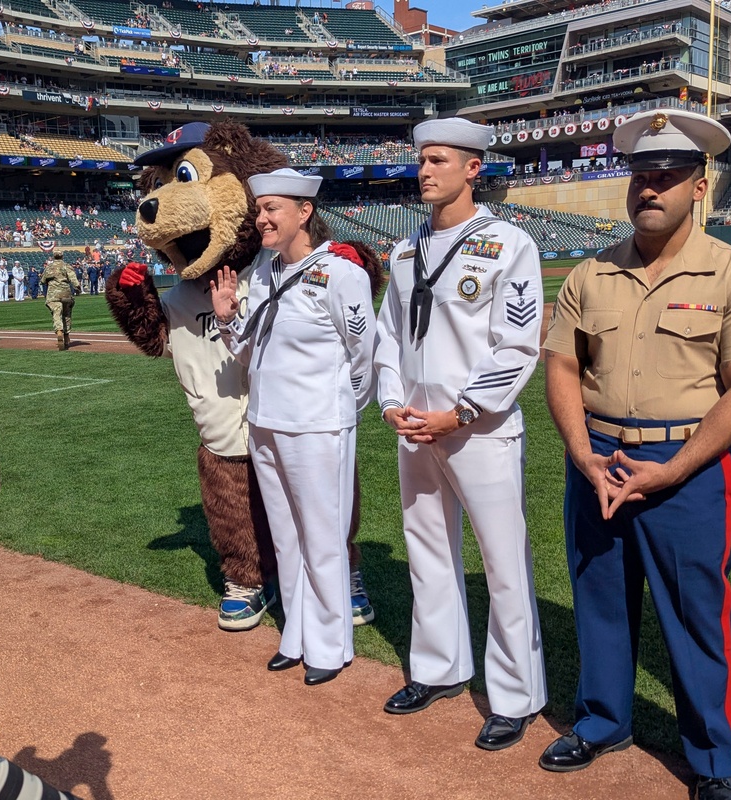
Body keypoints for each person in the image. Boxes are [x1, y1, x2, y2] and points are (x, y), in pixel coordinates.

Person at [541, 109, 731, 800]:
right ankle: (603, 721)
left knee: (696, 615)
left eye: (666, 177)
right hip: (598, 458)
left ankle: (716, 761)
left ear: (699, 186)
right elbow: (563, 370)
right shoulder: (590, 273)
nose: (649, 190)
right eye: (640, 177)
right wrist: (581, 454)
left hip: (687, 469)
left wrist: (677, 466)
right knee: (599, 600)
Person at [373, 118, 547, 750]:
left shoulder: (507, 244)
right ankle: (438, 668)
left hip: (479, 430)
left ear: (473, 168)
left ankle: (515, 695)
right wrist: (392, 401)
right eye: (422, 161)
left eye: (440, 161)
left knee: (504, 563)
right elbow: (388, 335)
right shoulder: (402, 250)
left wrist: (463, 411)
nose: (425, 171)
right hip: (415, 429)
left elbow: (518, 343)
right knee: (428, 552)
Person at [211, 168, 376, 686]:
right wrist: (224, 318)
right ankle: (298, 634)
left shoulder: (341, 273)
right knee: (286, 538)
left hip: (317, 427)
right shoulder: (262, 272)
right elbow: (248, 350)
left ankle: (330, 644)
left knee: (323, 537)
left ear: (304, 213)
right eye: (259, 210)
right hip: (266, 422)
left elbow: (363, 357)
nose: (261, 219)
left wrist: (337, 414)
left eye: (271, 209)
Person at [42, 250, 80, 350]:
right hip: (65, 293)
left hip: (53, 294)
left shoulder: (49, 267)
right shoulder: (66, 266)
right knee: (67, 314)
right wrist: (78, 287)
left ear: (54, 256)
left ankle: (59, 330)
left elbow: (43, 280)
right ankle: (67, 337)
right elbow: (73, 279)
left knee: (56, 312)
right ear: (62, 256)